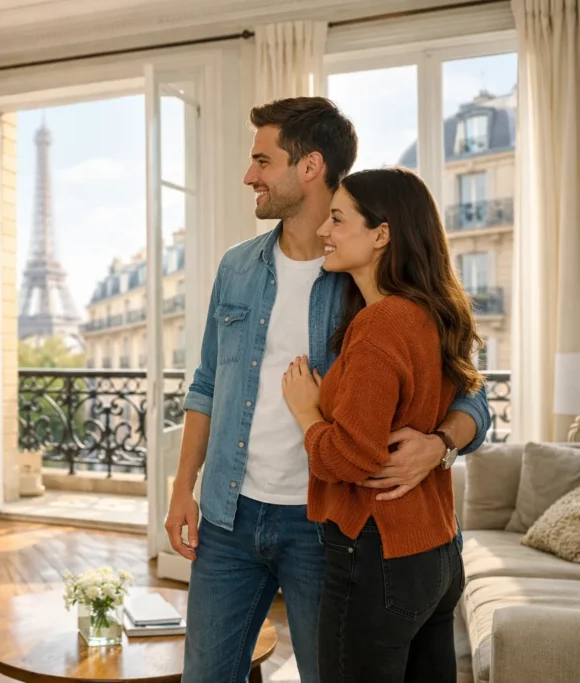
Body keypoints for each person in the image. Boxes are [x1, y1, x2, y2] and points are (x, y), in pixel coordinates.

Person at [166, 97, 490, 683]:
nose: (249, 176)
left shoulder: (370, 273)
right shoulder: (237, 267)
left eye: (262, 160)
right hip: (229, 513)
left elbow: (470, 394)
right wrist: (182, 487)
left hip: (327, 528)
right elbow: (208, 383)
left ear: (310, 166)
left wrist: (441, 444)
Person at [281, 167, 476, 682]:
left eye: (338, 219)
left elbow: (348, 457)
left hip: (377, 554)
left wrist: (306, 410)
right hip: (436, 554)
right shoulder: (429, 314)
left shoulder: (380, 324)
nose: (325, 230)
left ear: (381, 234)